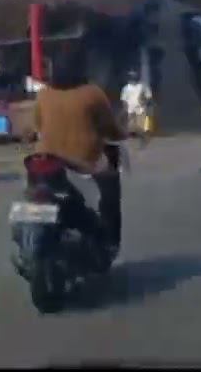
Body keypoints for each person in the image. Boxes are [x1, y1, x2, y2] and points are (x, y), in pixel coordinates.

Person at [26, 42, 126, 253]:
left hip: (45, 162)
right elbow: (109, 127)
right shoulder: (92, 94)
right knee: (110, 187)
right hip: (83, 164)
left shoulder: (44, 94)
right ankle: (109, 242)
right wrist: (121, 134)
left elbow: (37, 125)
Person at [119, 70, 151, 138]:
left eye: (134, 78)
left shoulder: (142, 86)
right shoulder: (126, 88)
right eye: (131, 78)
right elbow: (124, 99)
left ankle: (141, 133)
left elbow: (148, 95)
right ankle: (132, 133)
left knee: (140, 121)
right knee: (131, 122)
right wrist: (124, 107)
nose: (133, 79)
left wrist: (145, 102)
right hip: (130, 107)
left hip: (140, 107)